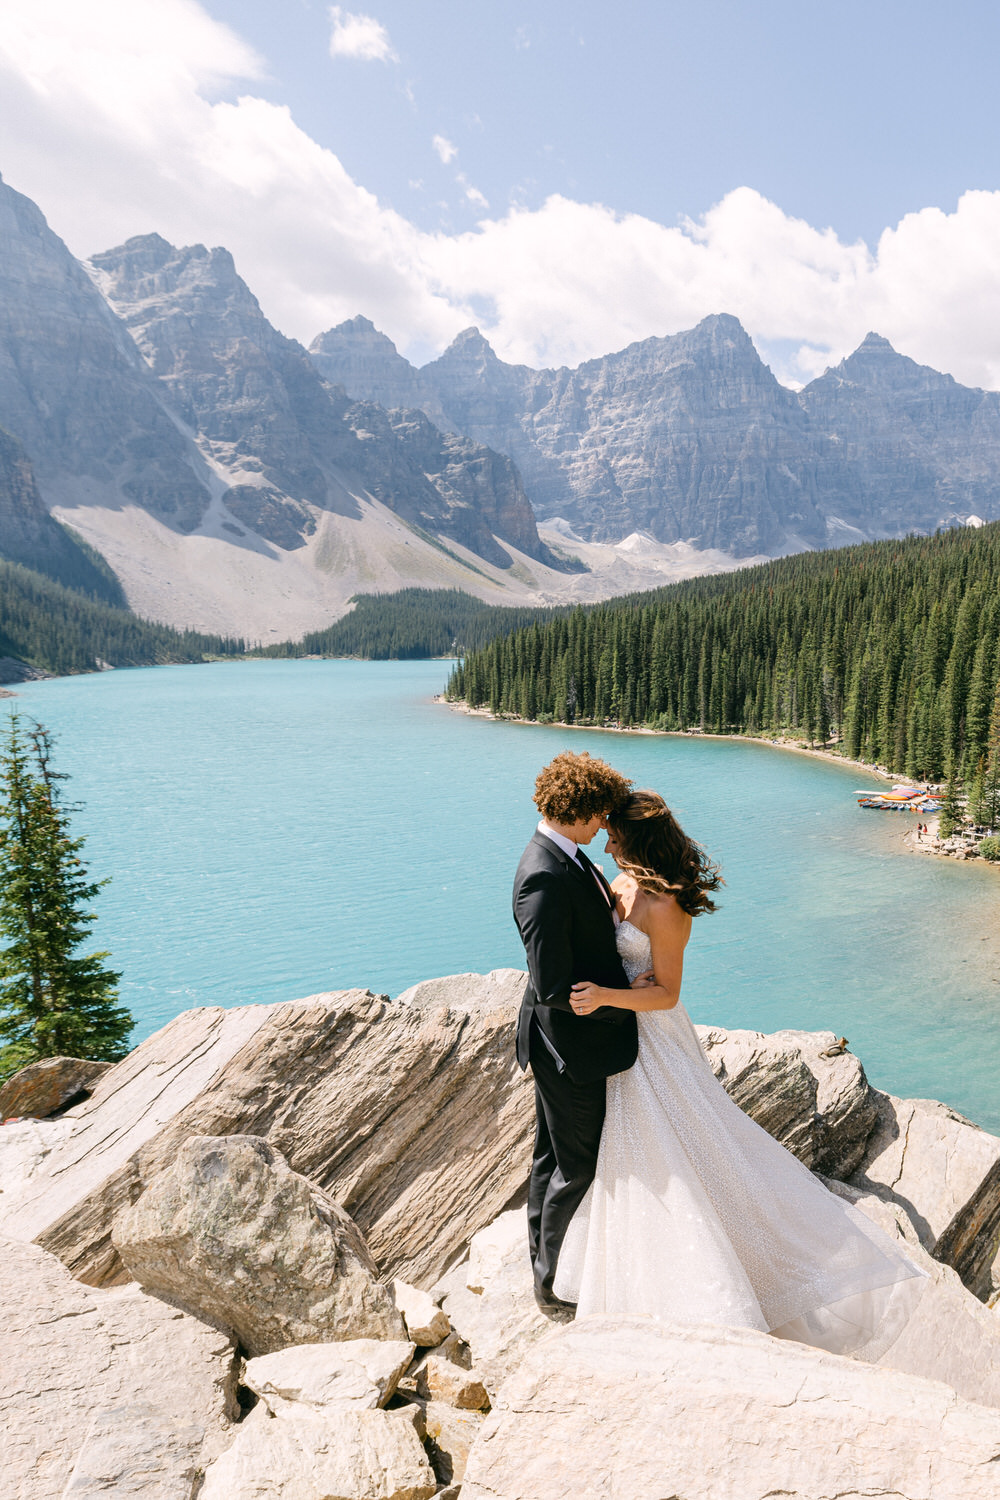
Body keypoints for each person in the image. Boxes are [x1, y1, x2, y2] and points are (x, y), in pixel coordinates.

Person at [554, 788, 926, 1359]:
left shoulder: (667, 907)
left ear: (637, 839)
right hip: (620, 1036)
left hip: (655, 1039)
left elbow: (668, 994)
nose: (605, 839)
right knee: (634, 1155)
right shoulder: (620, 883)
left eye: (614, 833)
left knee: (668, 1146)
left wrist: (605, 995)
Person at [512, 750, 642, 1318]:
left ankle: (545, 1265)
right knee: (576, 1165)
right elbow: (550, 984)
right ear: (580, 811)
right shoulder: (542, 872)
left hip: (562, 1045)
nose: (605, 827)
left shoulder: (565, 854)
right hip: (568, 1048)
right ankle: (552, 1286)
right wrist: (624, 1005)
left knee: (551, 1156)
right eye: (601, 816)